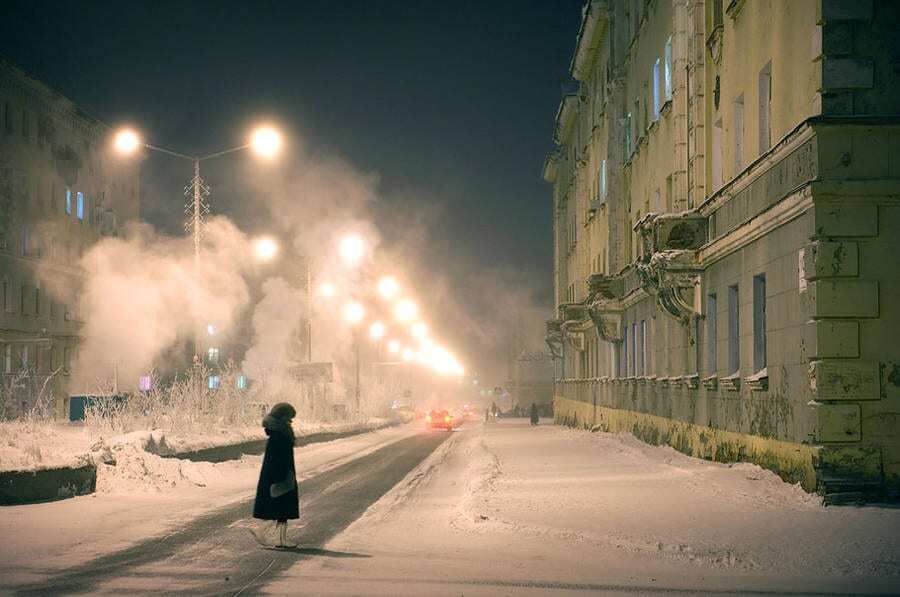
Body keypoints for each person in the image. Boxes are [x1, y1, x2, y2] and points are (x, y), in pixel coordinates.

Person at [251, 402, 299, 548]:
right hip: (280, 477)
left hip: (281, 476)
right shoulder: (280, 435)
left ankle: (280, 539)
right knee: (281, 508)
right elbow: (278, 460)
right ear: (282, 417)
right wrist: (282, 479)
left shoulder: (278, 433)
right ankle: (263, 531)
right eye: (289, 418)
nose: (291, 421)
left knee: (282, 509)